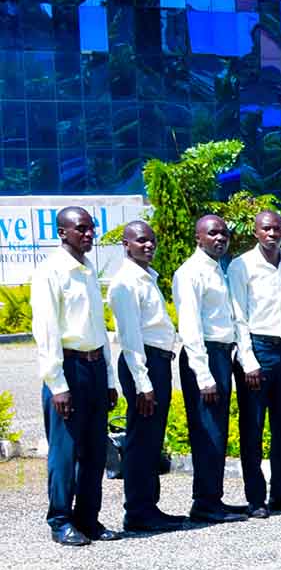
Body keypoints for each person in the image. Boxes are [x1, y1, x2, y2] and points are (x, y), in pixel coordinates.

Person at [32, 207, 118, 546]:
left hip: (94, 367)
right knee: (65, 452)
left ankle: (88, 518)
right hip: (68, 369)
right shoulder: (51, 271)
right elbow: (47, 331)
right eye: (80, 228)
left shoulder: (88, 269)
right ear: (62, 232)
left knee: (95, 451)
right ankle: (60, 520)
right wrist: (57, 385)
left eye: (91, 228)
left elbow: (98, 328)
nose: (88, 234)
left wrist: (108, 379)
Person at [108, 221, 185, 534]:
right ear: (126, 244)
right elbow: (130, 337)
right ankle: (138, 511)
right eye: (141, 240)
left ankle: (149, 507)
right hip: (143, 365)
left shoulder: (146, 277)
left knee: (152, 439)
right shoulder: (125, 282)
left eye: (152, 240)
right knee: (141, 440)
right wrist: (143, 384)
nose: (149, 245)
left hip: (156, 363)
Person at [226, 210, 281, 518]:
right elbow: (238, 315)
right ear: (255, 232)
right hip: (257, 350)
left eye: (277, 229)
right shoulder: (241, 265)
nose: (272, 234)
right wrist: (248, 360)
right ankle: (256, 499)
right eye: (266, 229)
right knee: (253, 428)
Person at [174, 214, 246, 524]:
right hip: (203, 357)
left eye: (224, 233)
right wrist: (204, 376)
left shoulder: (217, 269)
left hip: (220, 355)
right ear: (198, 238)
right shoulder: (190, 273)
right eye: (213, 233)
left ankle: (212, 497)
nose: (220, 238)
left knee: (217, 430)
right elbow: (190, 326)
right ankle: (204, 503)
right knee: (207, 431)